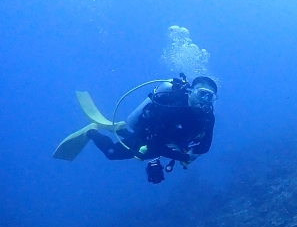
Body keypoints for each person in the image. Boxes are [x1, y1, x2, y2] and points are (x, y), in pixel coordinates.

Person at [86, 74, 217, 183]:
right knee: (112, 153)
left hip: (168, 141)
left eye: (210, 96)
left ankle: (120, 129)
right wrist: (184, 157)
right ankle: (91, 131)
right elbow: (156, 145)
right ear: (192, 91)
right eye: (202, 94)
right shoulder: (172, 110)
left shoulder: (208, 116)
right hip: (148, 135)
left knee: (156, 145)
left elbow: (206, 146)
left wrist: (184, 151)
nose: (205, 100)